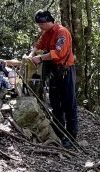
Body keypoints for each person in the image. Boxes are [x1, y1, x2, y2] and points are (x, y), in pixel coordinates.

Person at [29, 10, 78, 147]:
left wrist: (40, 58)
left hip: (66, 71)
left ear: (45, 22)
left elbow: (58, 53)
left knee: (69, 104)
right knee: (55, 104)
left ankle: (71, 137)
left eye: (40, 25)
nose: (40, 28)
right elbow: (39, 44)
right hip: (54, 72)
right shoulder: (47, 33)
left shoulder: (62, 32)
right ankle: (58, 132)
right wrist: (32, 53)